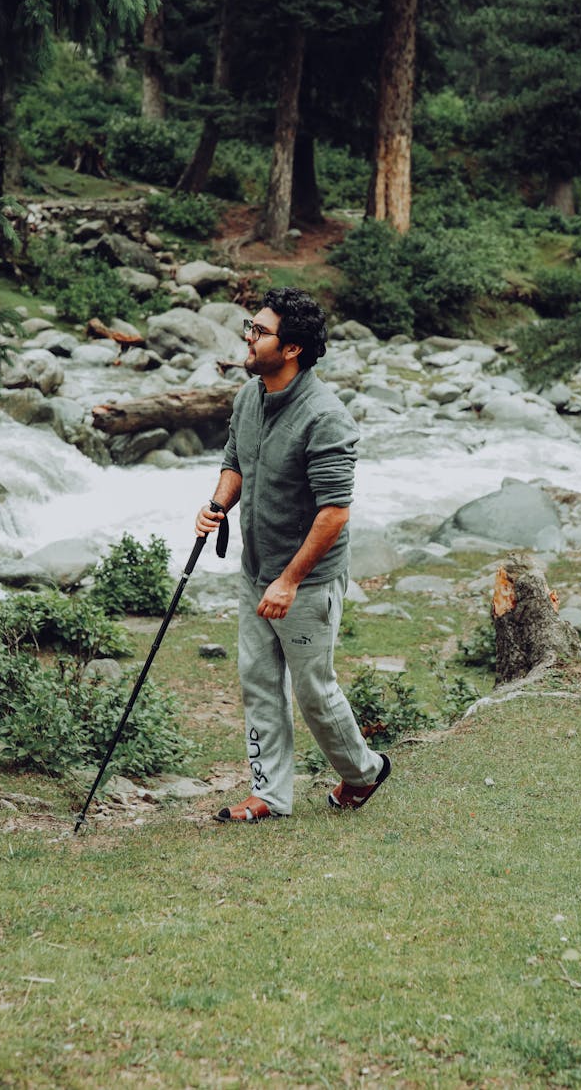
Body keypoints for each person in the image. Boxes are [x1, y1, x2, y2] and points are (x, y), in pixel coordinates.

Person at [195, 287, 390, 822]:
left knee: (313, 690)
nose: (248, 337)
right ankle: (270, 794)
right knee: (258, 681)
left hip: (305, 581)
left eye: (260, 331)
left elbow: (334, 513)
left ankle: (363, 772)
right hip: (256, 569)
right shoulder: (249, 396)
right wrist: (217, 504)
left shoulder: (326, 417)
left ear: (292, 350)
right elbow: (235, 462)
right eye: (250, 326)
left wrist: (289, 581)